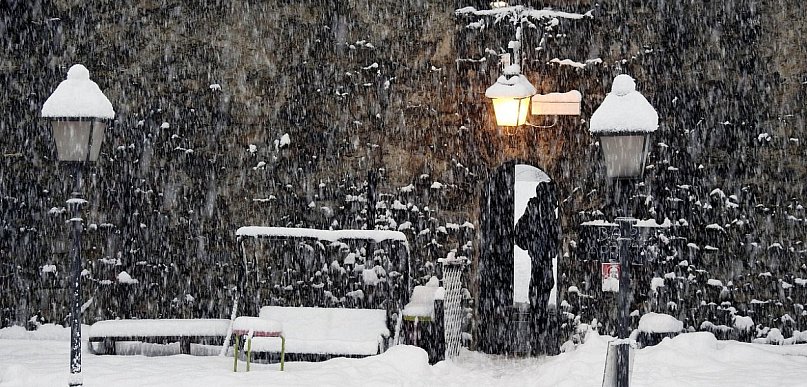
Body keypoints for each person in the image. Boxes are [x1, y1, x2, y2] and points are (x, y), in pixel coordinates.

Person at [514, 181, 559, 355]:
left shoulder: (534, 207)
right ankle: (539, 325)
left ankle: (537, 323)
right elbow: (520, 231)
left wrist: (530, 244)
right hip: (543, 254)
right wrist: (543, 245)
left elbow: (519, 230)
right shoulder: (544, 209)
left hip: (539, 254)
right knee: (544, 285)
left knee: (539, 286)